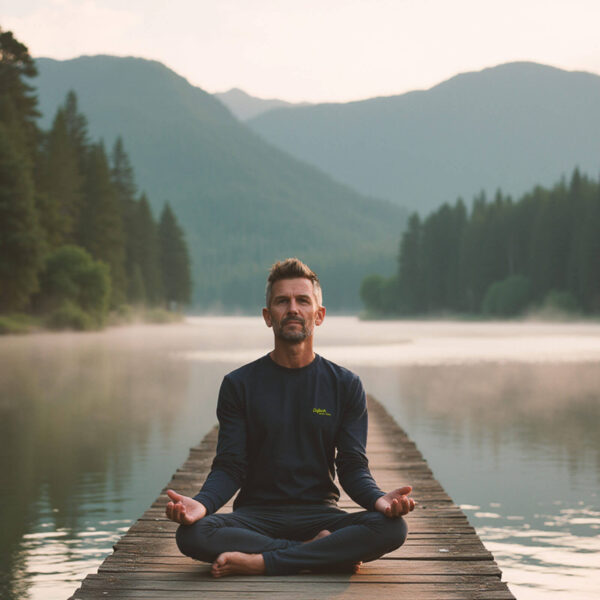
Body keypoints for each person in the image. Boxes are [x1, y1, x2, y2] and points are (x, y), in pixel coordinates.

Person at [165, 258, 415, 577]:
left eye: (302, 300)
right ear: (268, 317)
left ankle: (261, 561)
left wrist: (380, 500)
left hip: (320, 513)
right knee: (192, 533)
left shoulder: (344, 385)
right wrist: (201, 504)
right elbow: (230, 465)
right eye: (282, 301)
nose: (293, 308)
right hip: (255, 516)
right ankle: (320, 554)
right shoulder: (238, 385)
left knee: (392, 528)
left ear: (319, 315)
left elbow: (352, 467)